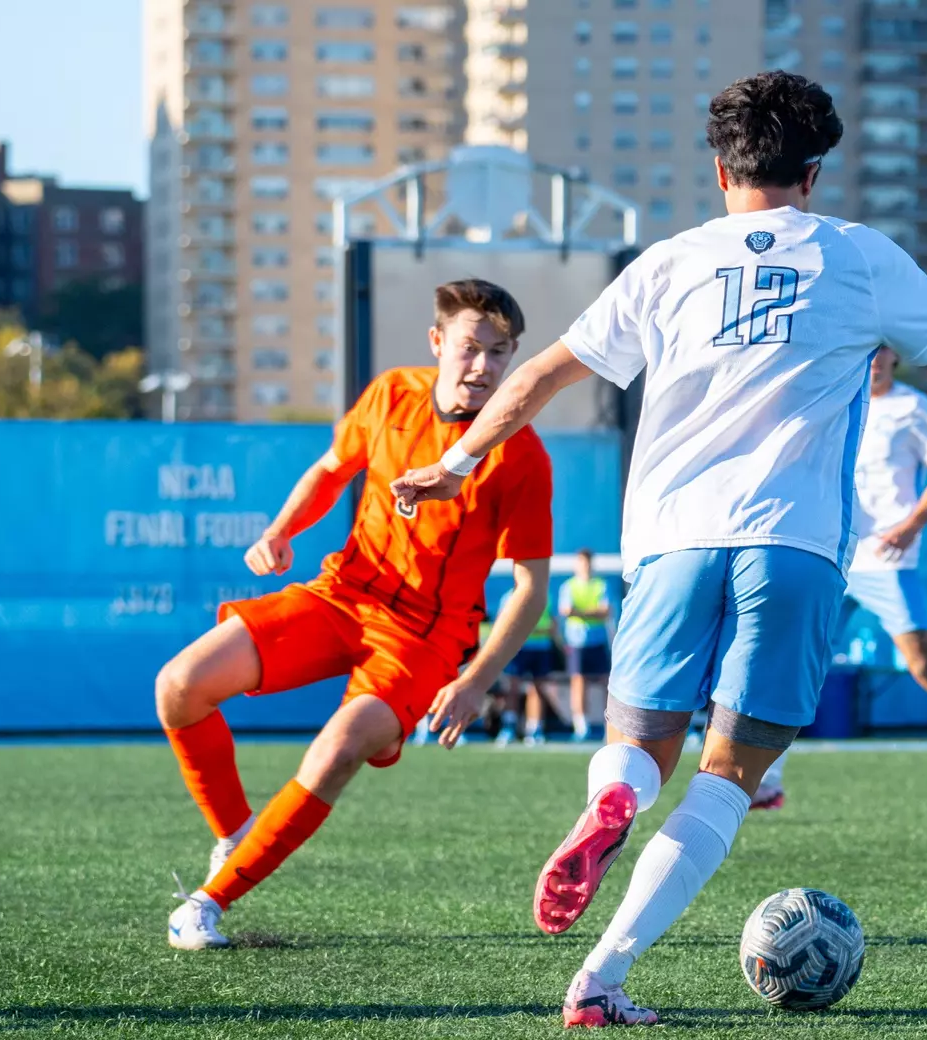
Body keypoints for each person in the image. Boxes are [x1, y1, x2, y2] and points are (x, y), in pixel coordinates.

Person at [392, 70, 927, 1027]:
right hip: (794, 546)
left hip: (671, 541)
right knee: (729, 775)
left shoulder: (668, 263)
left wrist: (457, 460)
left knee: (638, 747)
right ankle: (601, 977)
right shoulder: (861, 257)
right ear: (815, 170)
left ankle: (615, 802)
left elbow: (546, 374)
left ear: (722, 168)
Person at [156, 280, 554, 949]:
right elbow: (330, 469)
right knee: (179, 687)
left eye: (500, 352)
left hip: (424, 639)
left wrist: (476, 679)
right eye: (471, 347)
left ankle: (205, 904)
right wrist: (282, 530)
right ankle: (235, 835)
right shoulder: (391, 394)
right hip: (343, 594)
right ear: (437, 343)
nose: (483, 365)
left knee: (337, 749)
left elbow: (529, 589)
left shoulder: (521, 456)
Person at [750, 347, 927, 819]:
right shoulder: (835, 399)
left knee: (926, 667)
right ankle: (768, 780)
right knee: (798, 667)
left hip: (887, 561)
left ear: (895, 356)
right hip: (831, 554)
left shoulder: (914, 407)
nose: (874, 360)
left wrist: (912, 523)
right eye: (867, 350)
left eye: (883, 351)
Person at [491, 585, 559, 745]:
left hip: (541, 648)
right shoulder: (509, 596)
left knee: (537, 689)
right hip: (518, 649)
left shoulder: (544, 595)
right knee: (512, 688)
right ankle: (509, 727)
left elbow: (552, 624)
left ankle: (535, 729)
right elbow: (502, 623)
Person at [559, 549, 614, 741]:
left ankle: (611, 724)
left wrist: (580, 612)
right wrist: (593, 612)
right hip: (577, 643)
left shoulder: (600, 585)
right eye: (581, 562)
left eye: (588, 563)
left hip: (597, 642)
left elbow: (605, 611)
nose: (585, 566)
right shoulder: (569, 586)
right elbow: (566, 611)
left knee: (608, 683)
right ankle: (581, 725)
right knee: (579, 682)